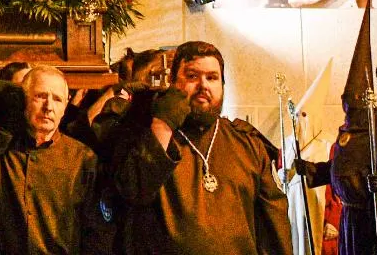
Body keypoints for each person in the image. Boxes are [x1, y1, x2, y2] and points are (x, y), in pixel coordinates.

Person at [110, 40, 293, 255]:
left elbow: (274, 230)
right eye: (192, 76)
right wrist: (163, 126)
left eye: (212, 78)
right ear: (173, 82)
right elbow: (133, 192)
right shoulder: (148, 134)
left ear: (222, 85)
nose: (203, 85)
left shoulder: (248, 145)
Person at [0, 64, 98, 255]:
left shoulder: (82, 159)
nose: (48, 107)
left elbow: (95, 232)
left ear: (65, 106)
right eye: (40, 96)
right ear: (23, 101)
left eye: (57, 99)